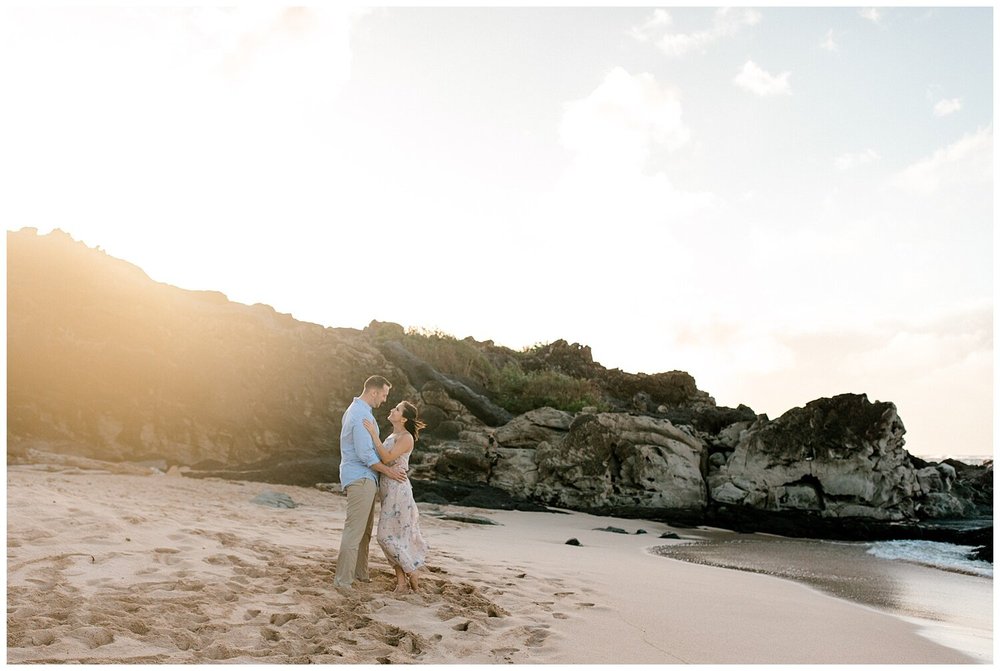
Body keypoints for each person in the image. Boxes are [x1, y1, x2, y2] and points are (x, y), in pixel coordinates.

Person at [334, 375, 407, 592]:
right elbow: (366, 454)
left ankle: (360, 574)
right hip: (361, 477)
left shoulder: (360, 411)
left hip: (365, 478)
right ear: (374, 392)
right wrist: (390, 472)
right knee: (354, 531)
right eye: (384, 395)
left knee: (364, 532)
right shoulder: (359, 415)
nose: (385, 400)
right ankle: (342, 582)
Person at [363, 400, 428, 594]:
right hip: (387, 488)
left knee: (384, 537)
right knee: (395, 536)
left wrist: (373, 435)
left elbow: (387, 458)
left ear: (404, 418)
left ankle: (412, 570)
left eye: (397, 409)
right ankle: (401, 583)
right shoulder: (393, 434)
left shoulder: (407, 437)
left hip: (398, 490)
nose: (392, 409)